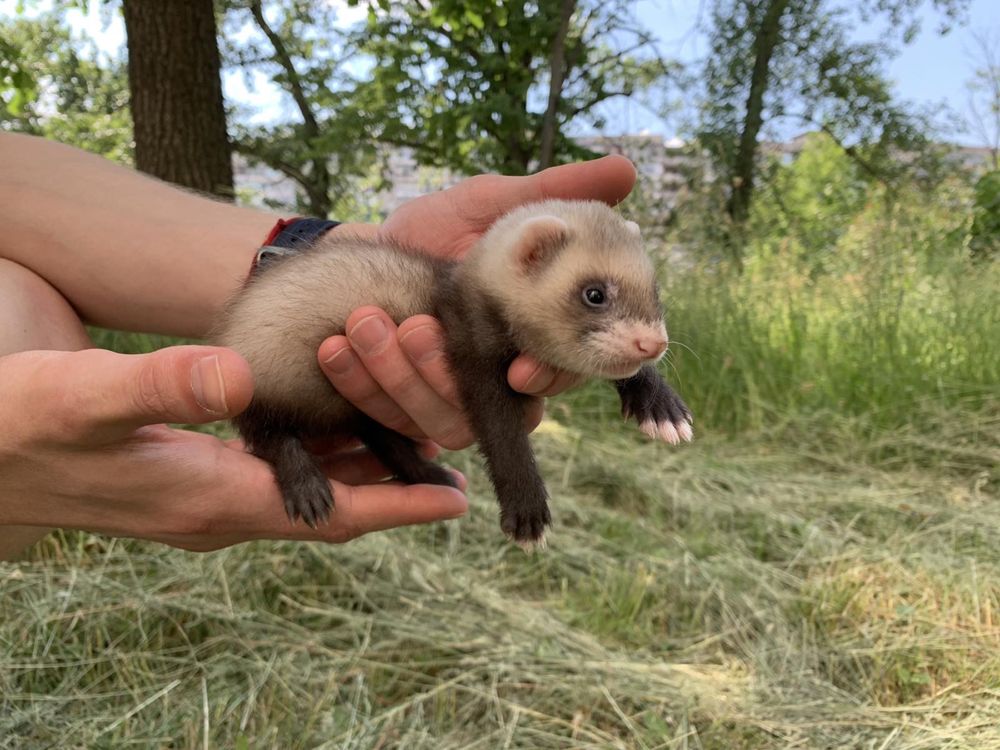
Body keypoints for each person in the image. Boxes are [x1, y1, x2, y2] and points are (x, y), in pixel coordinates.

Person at [0, 132, 638, 559]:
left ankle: (378, 455)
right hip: (278, 375)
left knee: (377, 385)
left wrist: (308, 242)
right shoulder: (488, 300)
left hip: (327, 334)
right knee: (324, 389)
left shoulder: (484, 297)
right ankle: (285, 450)